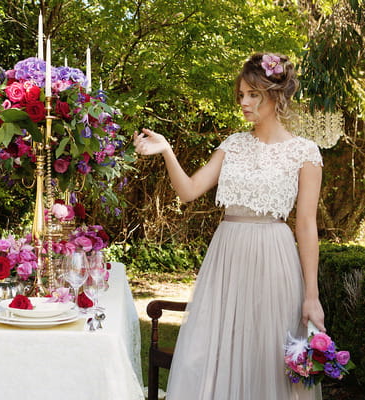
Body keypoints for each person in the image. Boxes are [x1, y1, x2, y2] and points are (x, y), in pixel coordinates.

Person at [134, 53, 325, 399]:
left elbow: (307, 225)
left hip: (275, 260)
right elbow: (190, 191)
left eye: (253, 94)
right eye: (241, 95)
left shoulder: (305, 152)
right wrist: (166, 150)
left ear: (276, 95)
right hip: (227, 259)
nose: (244, 103)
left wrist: (311, 296)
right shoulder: (233, 145)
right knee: (211, 352)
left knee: (268, 357)